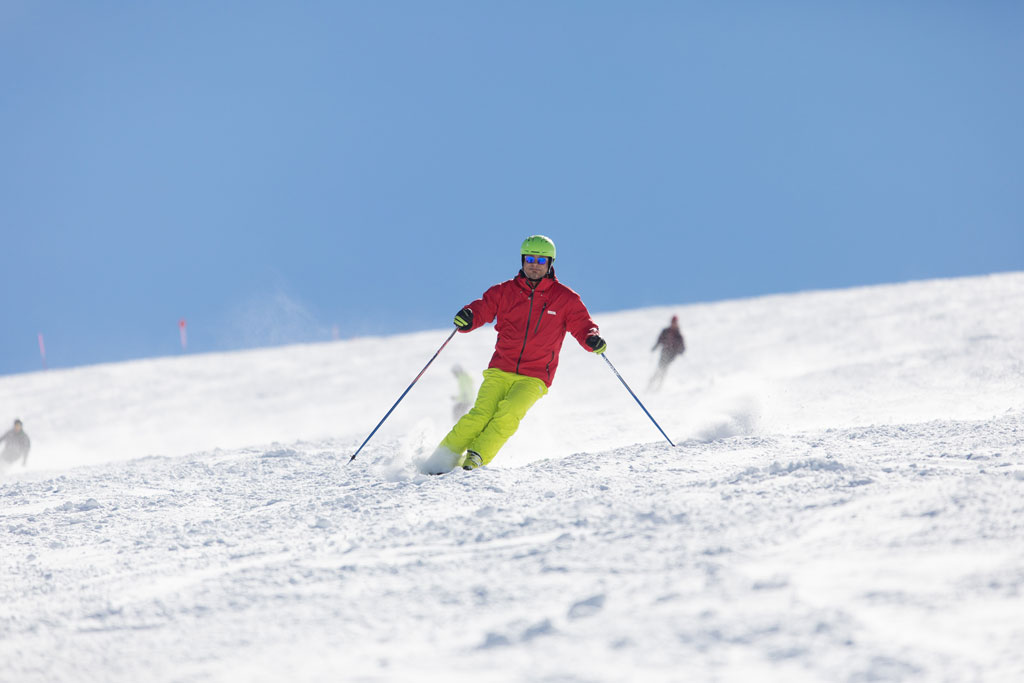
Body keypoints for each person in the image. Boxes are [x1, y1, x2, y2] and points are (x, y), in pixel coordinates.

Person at [422, 235, 606, 474]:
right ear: (522, 260)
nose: (534, 264)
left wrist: (591, 338)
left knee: (508, 414)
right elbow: (483, 308)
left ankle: (474, 459)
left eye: (541, 260)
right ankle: (441, 459)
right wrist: (469, 316)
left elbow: (582, 325)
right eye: (530, 258)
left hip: (535, 376)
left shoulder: (565, 298)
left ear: (550, 263)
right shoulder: (504, 292)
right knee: (480, 415)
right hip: (501, 368)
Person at [648, 315, 685, 391]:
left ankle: (658, 386)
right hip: (664, 353)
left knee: (664, 369)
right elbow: (660, 340)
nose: (673, 324)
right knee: (659, 368)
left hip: (671, 355)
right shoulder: (666, 331)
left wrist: (680, 351)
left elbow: (682, 347)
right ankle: (651, 384)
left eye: (675, 322)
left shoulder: (678, 335)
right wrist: (655, 347)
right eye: (672, 322)